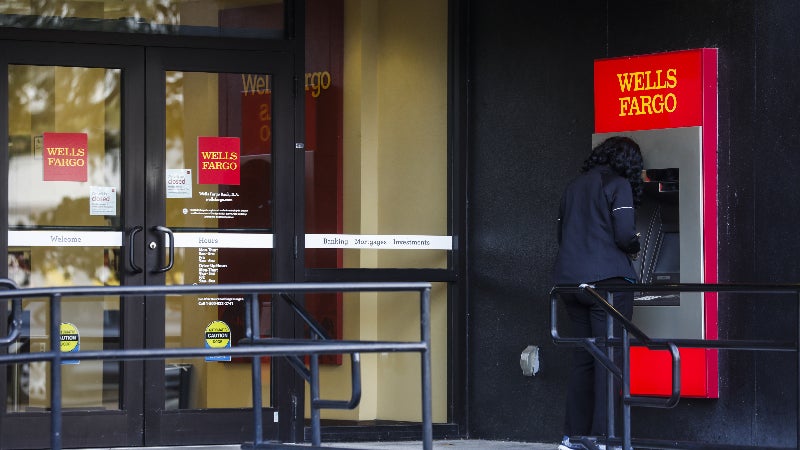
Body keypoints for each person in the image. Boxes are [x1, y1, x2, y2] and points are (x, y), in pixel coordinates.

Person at [553, 136, 644, 450]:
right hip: (607, 283)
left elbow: (561, 234)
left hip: (569, 283)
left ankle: (573, 437)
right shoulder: (618, 185)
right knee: (610, 360)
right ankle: (605, 438)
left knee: (584, 360)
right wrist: (635, 246)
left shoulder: (574, 187)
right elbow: (625, 235)